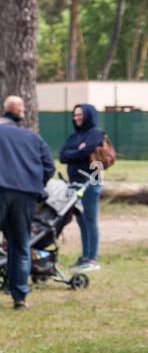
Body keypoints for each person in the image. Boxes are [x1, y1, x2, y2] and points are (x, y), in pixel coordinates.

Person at [0, 95, 54, 310]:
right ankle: (20, 297)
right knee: (20, 245)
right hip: (25, 195)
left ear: (2, 111)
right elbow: (49, 166)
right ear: (19, 114)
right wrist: (35, 184)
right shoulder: (33, 137)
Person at [59, 103, 105, 272]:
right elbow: (62, 156)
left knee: (90, 220)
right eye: (75, 115)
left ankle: (93, 259)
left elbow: (85, 153)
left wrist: (76, 152)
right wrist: (76, 151)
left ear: (88, 116)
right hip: (75, 182)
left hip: (91, 182)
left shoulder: (96, 134)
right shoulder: (74, 136)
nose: (77, 118)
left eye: (80, 115)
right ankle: (85, 256)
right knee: (81, 221)